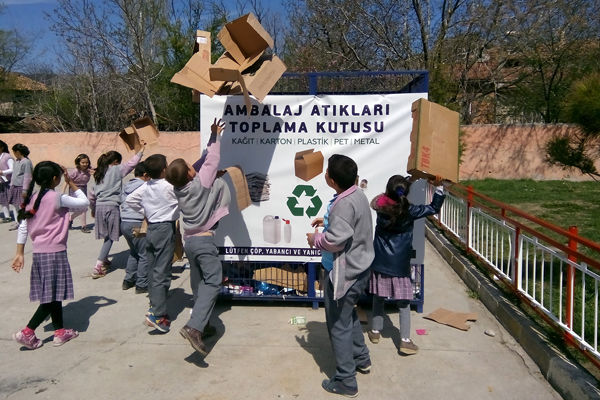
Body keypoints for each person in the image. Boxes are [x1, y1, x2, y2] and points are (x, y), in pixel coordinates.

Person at [306, 154, 374, 398]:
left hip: (346, 273)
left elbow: (335, 241)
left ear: (332, 181)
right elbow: (344, 228)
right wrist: (326, 225)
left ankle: (346, 380)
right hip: (361, 268)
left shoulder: (343, 204)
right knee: (347, 315)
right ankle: (361, 358)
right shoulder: (356, 194)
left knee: (338, 324)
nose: (325, 174)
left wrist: (316, 239)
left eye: (327, 172)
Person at [165, 118, 228, 355]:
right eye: (192, 167)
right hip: (203, 240)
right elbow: (211, 159)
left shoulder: (179, 188)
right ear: (191, 173)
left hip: (189, 240)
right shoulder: (201, 183)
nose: (195, 167)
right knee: (213, 280)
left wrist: (211, 139)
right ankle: (194, 328)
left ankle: (206, 323)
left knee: (198, 283)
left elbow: (203, 165)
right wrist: (216, 135)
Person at [11, 161, 89, 349]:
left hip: (39, 253)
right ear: (55, 179)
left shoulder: (32, 197)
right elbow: (84, 203)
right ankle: (28, 332)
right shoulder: (57, 197)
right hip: (55, 253)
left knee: (54, 295)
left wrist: (19, 252)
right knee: (51, 296)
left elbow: (23, 226)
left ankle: (60, 332)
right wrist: (71, 184)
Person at [366, 175, 446, 355]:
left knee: (378, 298)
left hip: (380, 262)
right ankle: (405, 340)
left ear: (388, 190)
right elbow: (433, 207)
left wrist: (405, 183)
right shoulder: (409, 211)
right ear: (405, 193)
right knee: (403, 304)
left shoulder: (380, 206)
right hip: (400, 265)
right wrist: (439, 187)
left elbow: (382, 197)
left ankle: (375, 331)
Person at [126, 154, 179, 334]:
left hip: (152, 229)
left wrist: (146, 212)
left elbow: (129, 200)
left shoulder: (145, 186)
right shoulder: (169, 186)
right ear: (164, 169)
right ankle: (158, 315)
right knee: (162, 271)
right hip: (165, 228)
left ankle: (154, 304)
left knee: (152, 267)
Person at [89, 147, 144, 279]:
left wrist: (93, 208)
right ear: (115, 161)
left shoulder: (98, 173)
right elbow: (132, 164)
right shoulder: (116, 169)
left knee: (114, 232)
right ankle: (98, 266)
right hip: (112, 206)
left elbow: (91, 194)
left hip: (99, 206)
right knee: (110, 237)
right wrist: (141, 150)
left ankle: (104, 257)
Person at [120, 162, 150, 294]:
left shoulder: (127, 185)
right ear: (145, 175)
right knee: (144, 254)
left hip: (125, 222)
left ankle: (128, 279)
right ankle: (142, 283)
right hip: (137, 223)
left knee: (134, 251)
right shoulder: (145, 186)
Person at [7, 143, 33, 231]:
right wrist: (11, 184)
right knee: (15, 205)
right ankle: (18, 222)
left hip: (22, 188)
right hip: (15, 186)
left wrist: (25, 190)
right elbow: (14, 174)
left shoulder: (26, 162)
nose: (13, 154)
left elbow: (27, 177)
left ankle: (25, 223)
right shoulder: (16, 161)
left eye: (14, 152)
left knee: (23, 206)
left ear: (18, 152)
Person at [67, 153, 93, 233]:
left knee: (83, 208)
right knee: (82, 208)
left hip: (84, 189)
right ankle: (80, 224)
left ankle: (72, 221)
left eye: (87, 162)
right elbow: (67, 181)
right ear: (78, 162)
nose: (85, 164)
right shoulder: (75, 172)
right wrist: (63, 191)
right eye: (83, 162)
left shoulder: (89, 171)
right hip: (74, 190)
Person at [0, 140, 15, 222]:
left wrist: (2, 172)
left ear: (2, 148)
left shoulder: (7, 157)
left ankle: (18, 217)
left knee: (13, 199)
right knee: (2, 200)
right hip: (1, 182)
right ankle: (7, 217)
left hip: (9, 181)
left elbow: (12, 169)